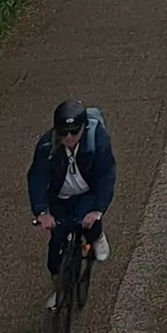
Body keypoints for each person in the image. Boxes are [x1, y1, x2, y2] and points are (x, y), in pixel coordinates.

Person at [27, 100, 116, 309]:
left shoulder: (98, 141)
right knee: (57, 241)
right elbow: (37, 178)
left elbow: (106, 175)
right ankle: (58, 288)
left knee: (86, 221)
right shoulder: (46, 146)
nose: (68, 137)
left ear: (83, 128)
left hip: (87, 194)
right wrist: (41, 212)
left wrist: (98, 209)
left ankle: (96, 237)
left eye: (74, 132)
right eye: (63, 132)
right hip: (60, 197)